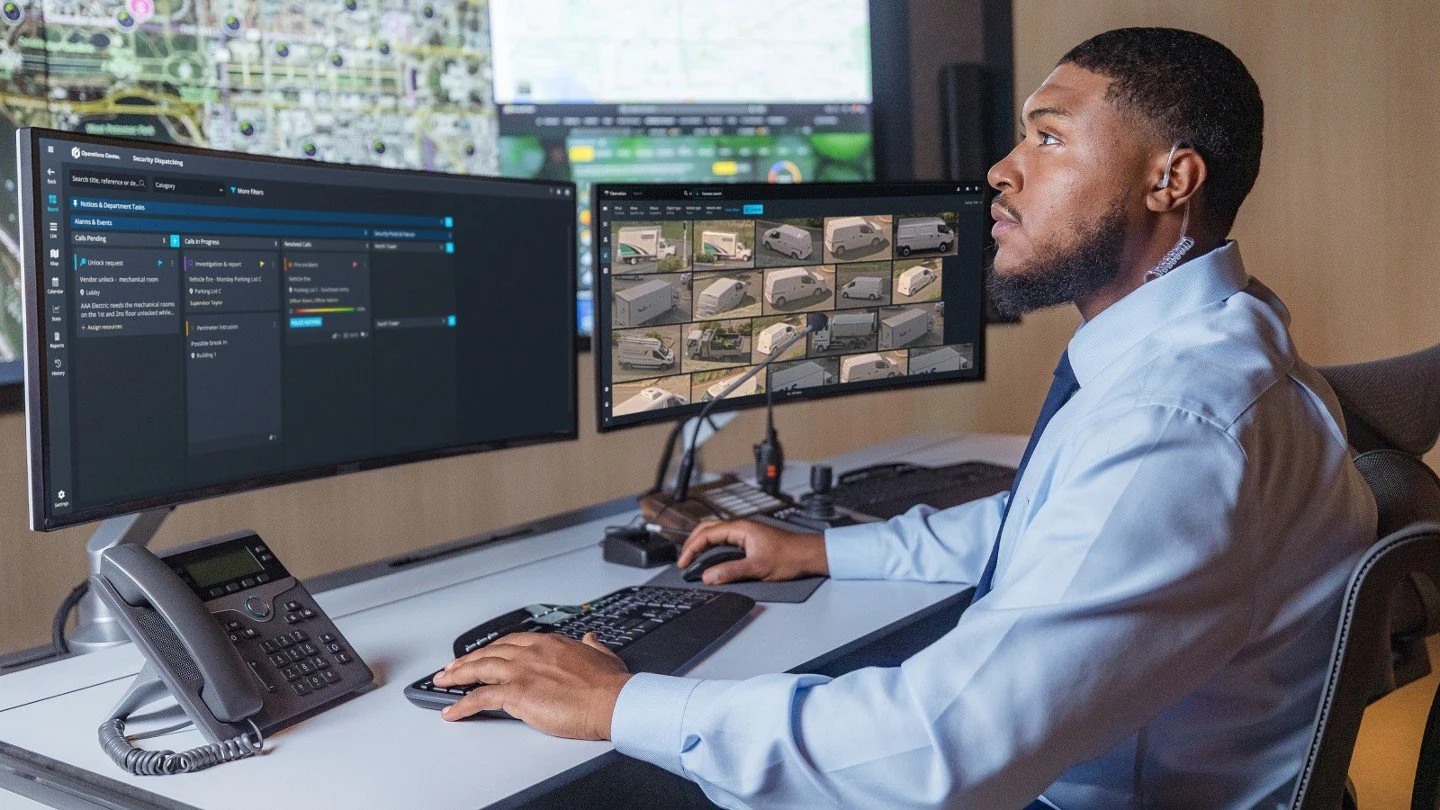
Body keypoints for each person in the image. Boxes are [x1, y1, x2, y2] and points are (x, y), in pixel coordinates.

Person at [432, 27, 1377, 808]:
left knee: (612, 782)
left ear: (1170, 181)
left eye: (1048, 139)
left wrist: (618, 702)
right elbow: (1047, 529)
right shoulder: (1221, 337)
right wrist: (820, 550)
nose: (1001, 170)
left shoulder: (1173, 422)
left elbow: (941, 755)